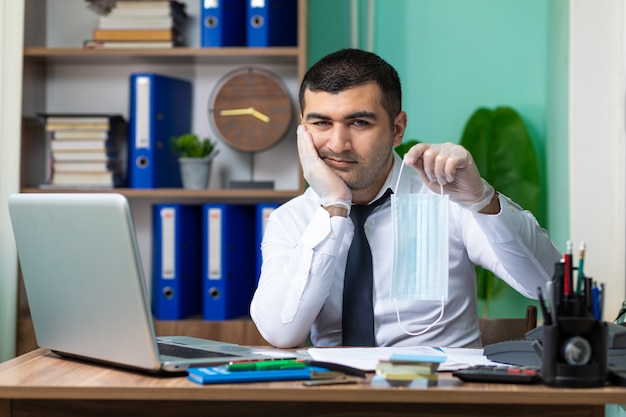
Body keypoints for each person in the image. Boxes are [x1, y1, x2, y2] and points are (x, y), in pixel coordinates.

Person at [250, 48, 561, 348]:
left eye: (359, 123)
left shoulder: (448, 198)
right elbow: (281, 333)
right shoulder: (291, 219)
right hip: (337, 394)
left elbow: (549, 285)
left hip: (440, 394)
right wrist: (333, 207)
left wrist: (482, 200)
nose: (338, 143)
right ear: (303, 131)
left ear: (397, 129)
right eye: (321, 123)